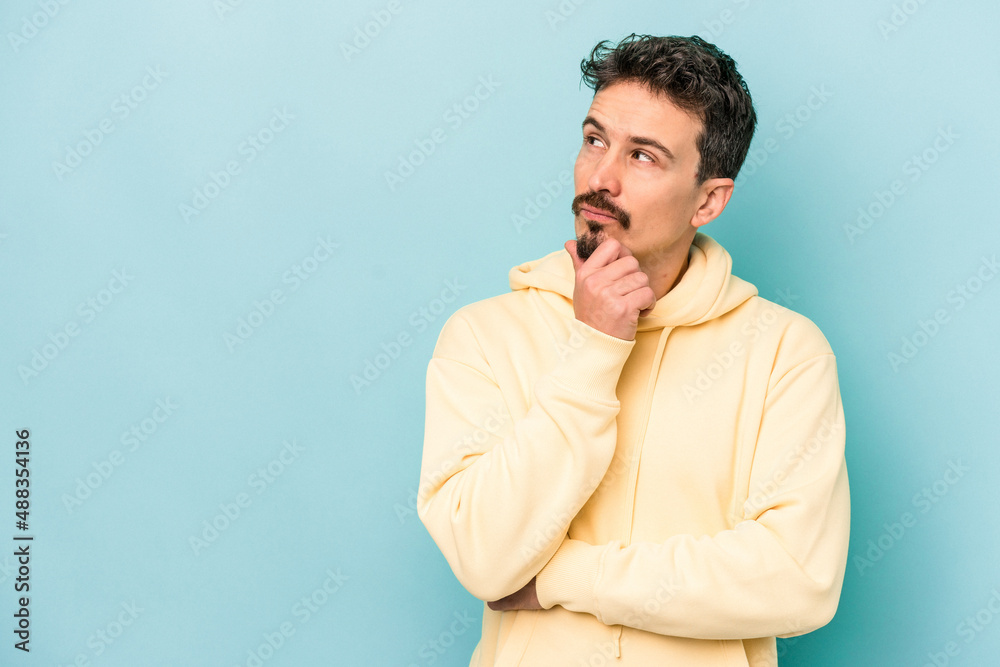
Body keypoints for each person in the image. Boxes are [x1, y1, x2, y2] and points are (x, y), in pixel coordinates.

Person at [417, 33, 849, 666]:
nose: (600, 178)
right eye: (595, 140)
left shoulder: (785, 353)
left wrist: (562, 578)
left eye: (643, 156)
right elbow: (486, 560)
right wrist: (593, 351)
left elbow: (798, 580)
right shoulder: (483, 336)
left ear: (709, 199)